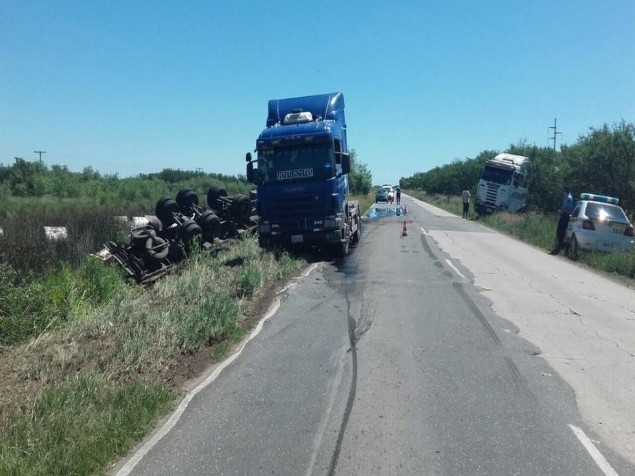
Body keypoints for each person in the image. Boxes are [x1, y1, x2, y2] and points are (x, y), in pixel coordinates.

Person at [550, 186, 574, 255]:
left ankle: (562, 245)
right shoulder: (567, 197)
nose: (562, 193)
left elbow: (567, 209)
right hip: (564, 215)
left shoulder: (569, 198)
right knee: (560, 231)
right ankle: (560, 246)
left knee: (560, 231)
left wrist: (561, 211)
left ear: (565, 191)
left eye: (563, 191)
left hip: (565, 216)